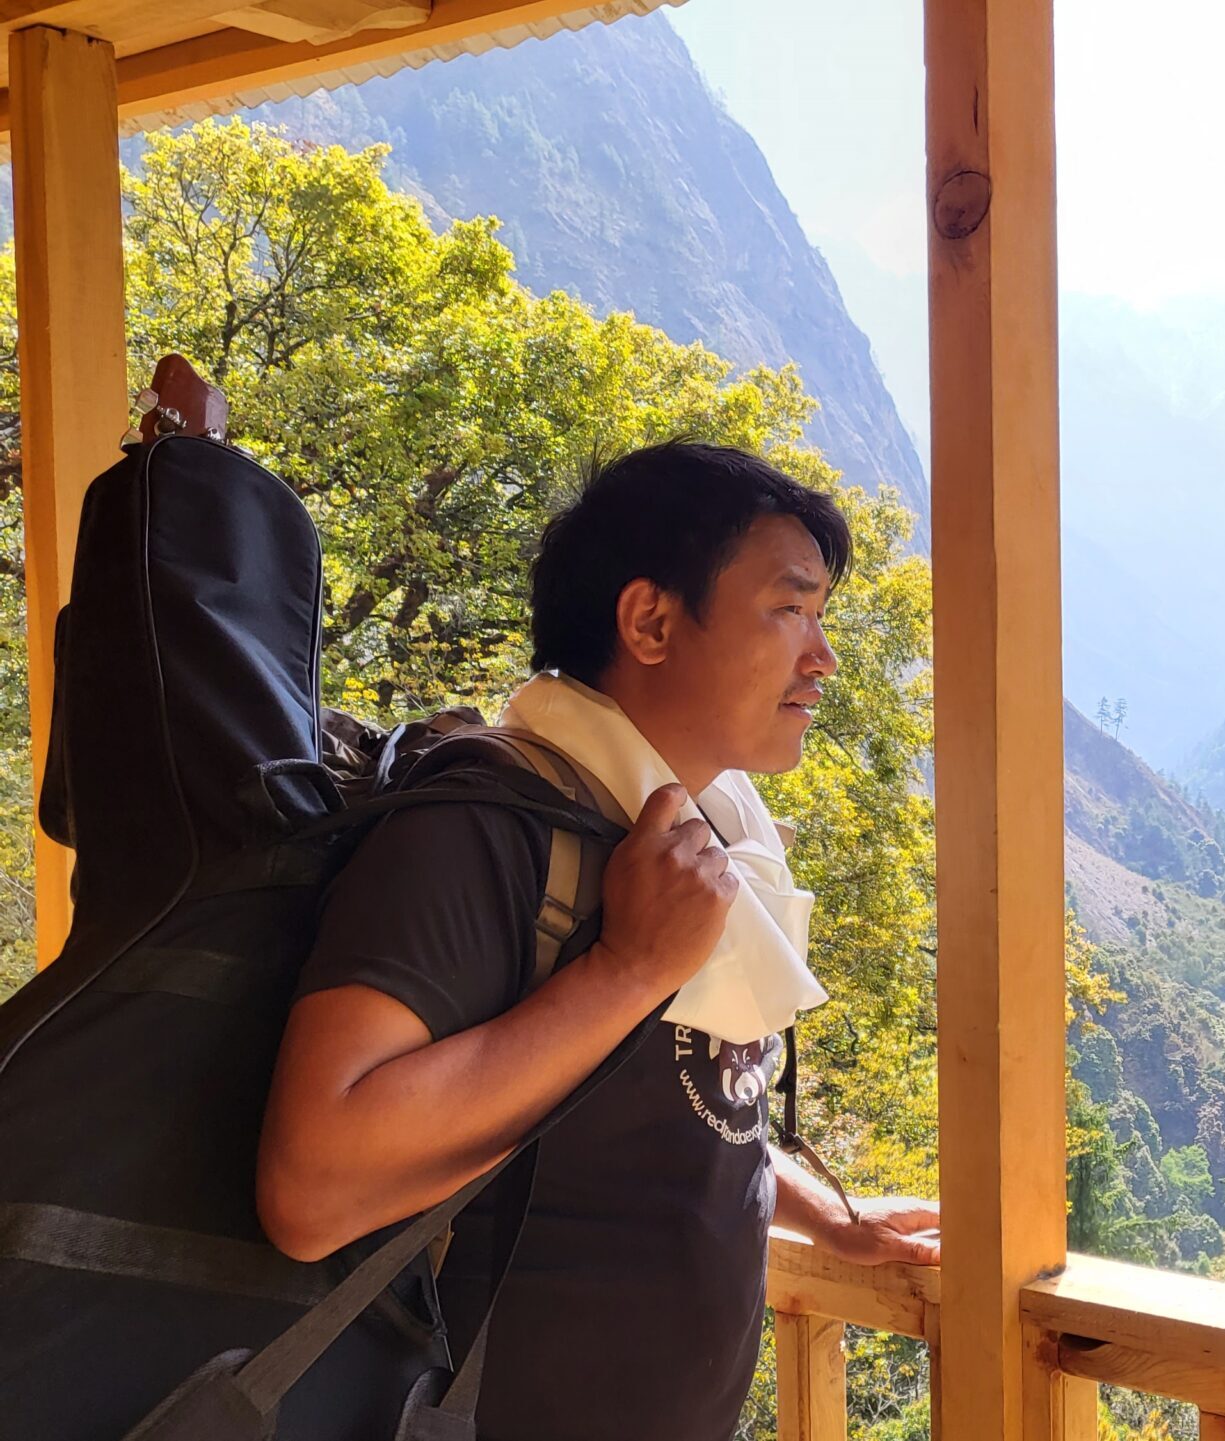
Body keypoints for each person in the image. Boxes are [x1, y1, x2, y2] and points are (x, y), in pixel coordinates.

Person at [256, 442, 939, 1440]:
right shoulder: (485, 830)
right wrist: (630, 971)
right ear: (652, 621)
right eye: (790, 608)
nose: (822, 656)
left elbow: (668, 1109)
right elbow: (310, 1188)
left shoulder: (697, 840)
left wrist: (828, 1218)